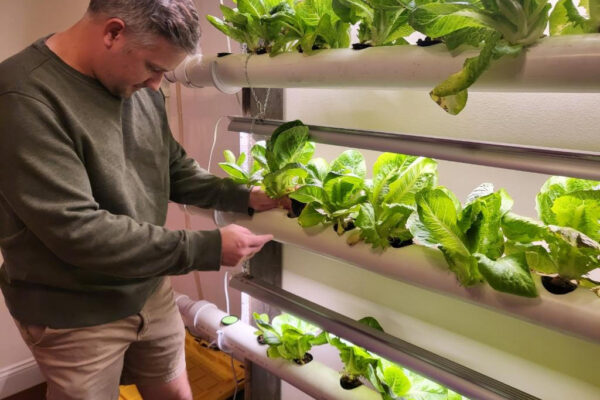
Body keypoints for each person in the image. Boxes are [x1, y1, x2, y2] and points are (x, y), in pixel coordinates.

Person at [0, 1, 283, 399]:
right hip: (73, 310)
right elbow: (78, 231)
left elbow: (171, 167)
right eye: (153, 68)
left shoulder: (137, 85)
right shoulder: (21, 96)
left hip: (149, 288)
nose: (156, 85)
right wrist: (208, 247)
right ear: (113, 33)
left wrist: (245, 195)